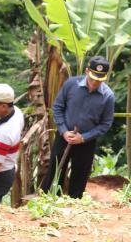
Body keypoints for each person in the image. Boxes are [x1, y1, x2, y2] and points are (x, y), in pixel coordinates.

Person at [40, 56, 115, 198]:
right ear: (87, 71)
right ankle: (47, 199)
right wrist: (63, 131)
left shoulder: (108, 96)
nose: (95, 83)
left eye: (99, 80)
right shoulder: (71, 85)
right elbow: (57, 107)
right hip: (64, 136)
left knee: (80, 175)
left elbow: (105, 124)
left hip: (86, 141)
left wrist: (83, 138)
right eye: (93, 78)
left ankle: (75, 204)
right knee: (55, 170)